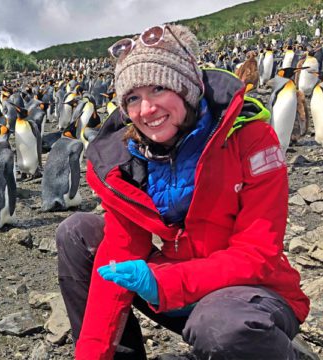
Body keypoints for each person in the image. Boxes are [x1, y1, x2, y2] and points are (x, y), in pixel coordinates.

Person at [56, 24, 310, 359]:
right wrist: (91, 353)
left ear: (186, 88)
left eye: (159, 88)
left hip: (252, 294)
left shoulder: (250, 139)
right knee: (77, 233)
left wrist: (165, 283)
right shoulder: (129, 162)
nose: (146, 110)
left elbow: (258, 254)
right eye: (133, 98)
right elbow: (119, 252)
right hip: (180, 289)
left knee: (221, 325)